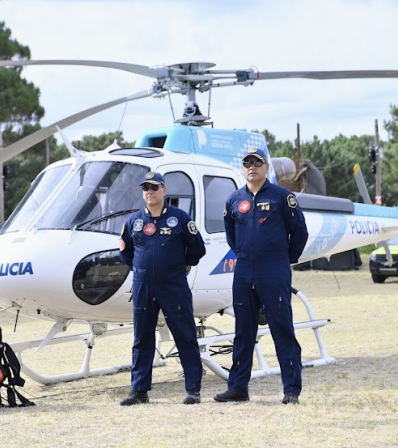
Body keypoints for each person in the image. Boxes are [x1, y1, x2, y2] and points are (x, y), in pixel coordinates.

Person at [215, 147, 309, 405]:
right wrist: (246, 254)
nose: (251, 166)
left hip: (274, 268)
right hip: (244, 269)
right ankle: (238, 388)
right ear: (243, 168)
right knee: (243, 329)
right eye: (247, 163)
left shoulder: (282, 196)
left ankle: (291, 389)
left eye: (257, 162)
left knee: (281, 327)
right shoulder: (234, 200)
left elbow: (299, 232)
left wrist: (283, 258)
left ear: (266, 167)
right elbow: (231, 235)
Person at [118, 171, 207, 406]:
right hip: (143, 286)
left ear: (164, 191)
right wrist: (144, 268)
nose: (150, 191)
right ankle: (139, 391)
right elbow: (126, 253)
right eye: (146, 188)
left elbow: (197, 249)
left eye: (154, 187)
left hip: (174, 285)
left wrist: (182, 265)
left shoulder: (179, 218)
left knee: (185, 335)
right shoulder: (133, 221)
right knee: (142, 338)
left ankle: (193, 389)